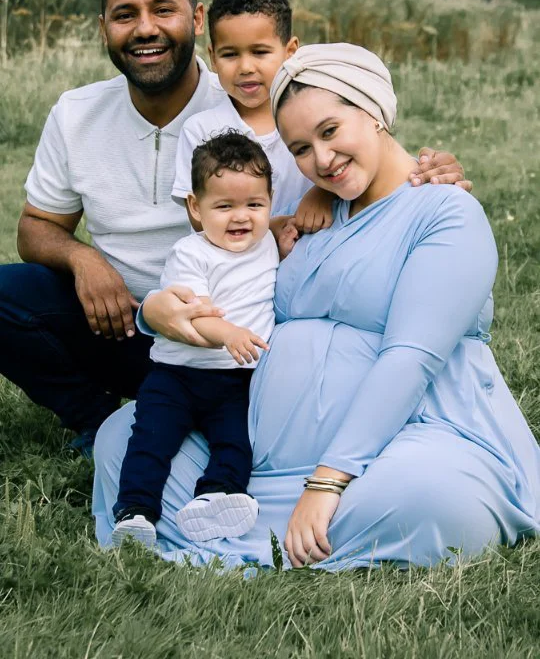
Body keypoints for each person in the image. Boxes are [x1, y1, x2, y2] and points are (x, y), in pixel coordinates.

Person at [0, 0, 468, 455]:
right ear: (103, 26)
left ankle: (204, 414)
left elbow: (353, 149)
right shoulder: (76, 113)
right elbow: (35, 226)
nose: (145, 29)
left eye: (163, 10)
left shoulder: (262, 101)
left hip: (242, 327)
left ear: (196, 19)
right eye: (124, 15)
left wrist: (428, 172)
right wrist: (82, 258)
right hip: (126, 321)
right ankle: (95, 416)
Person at [93, 43, 540, 570]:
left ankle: (307, 515)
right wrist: (156, 313)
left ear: (373, 110)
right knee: (119, 438)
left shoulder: (445, 213)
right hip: (261, 438)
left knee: (431, 496)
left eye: (330, 132)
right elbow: (224, 280)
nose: (320, 160)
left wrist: (328, 481)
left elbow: (411, 358)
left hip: (408, 435)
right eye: (300, 148)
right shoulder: (301, 216)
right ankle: (254, 515)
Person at [112, 132, 278, 548]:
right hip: (177, 376)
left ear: (270, 203)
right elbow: (194, 319)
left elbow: (283, 225)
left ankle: (215, 497)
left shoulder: (268, 242)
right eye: (224, 206)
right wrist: (232, 334)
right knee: (151, 441)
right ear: (195, 208)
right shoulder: (191, 254)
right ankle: (136, 512)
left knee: (237, 444)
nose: (241, 217)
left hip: (235, 381)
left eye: (254, 205)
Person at [174, 0, 333, 227]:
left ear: (290, 51)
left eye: (259, 52)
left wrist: (322, 193)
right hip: (234, 262)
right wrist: (271, 230)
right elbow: (200, 221)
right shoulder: (200, 131)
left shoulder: (317, 116)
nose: (246, 68)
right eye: (230, 55)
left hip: (310, 252)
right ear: (213, 57)